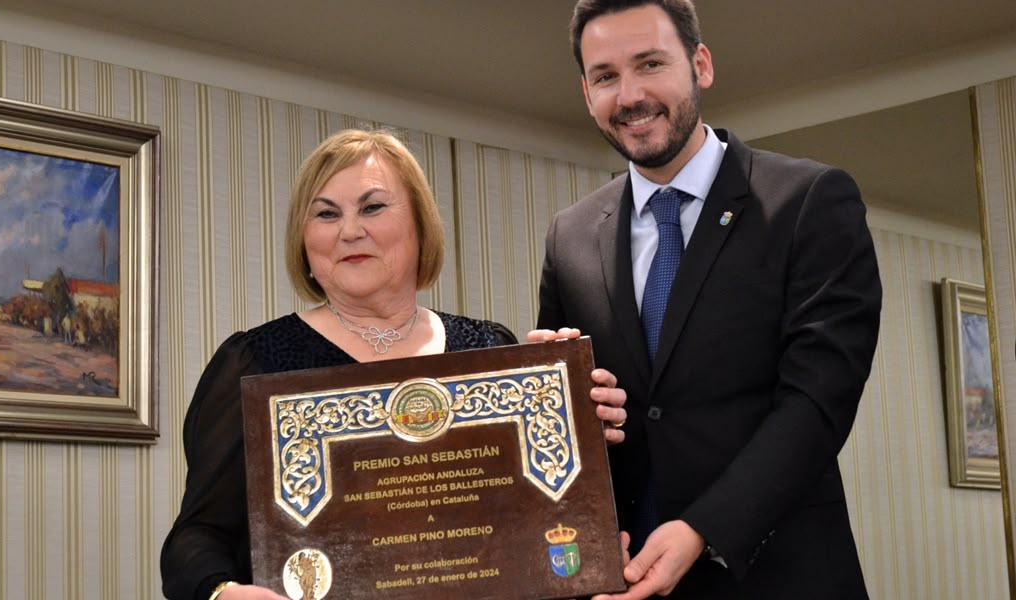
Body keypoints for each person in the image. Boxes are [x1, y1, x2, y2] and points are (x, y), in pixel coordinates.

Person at [160, 129, 628, 600]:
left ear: (421, 223)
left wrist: (580, 419)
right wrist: (220, 592)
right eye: (326, 214)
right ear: (304, 239)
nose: (349, 231)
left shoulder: (487, 348)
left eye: (372, 207)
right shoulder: (254, 362)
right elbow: (195, 538)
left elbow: (535, 525)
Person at [531, 1, 883, 598]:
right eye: (606, 76)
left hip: (781, 576)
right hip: (624, 579)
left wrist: (703, 527)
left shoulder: (809, 202)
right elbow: (573, 428)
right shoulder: (571, 235)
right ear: (586, 93)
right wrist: (556, 396)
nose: (630, 95)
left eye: (650, 64)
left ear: (701, 65)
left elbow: (818, 403)